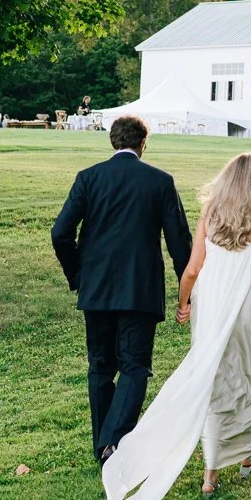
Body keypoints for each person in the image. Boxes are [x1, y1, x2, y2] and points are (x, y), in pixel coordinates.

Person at [103, 152, 251, 500]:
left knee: (213, 377)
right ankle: (244, 454)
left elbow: (193, 268)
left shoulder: (212, 214)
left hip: (211, 304)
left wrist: (184, 302)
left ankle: (213, 472)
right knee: (245, 374)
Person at [52, 116, 193, 466]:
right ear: (143, 143)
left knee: (100, 366)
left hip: (96, 288)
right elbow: (180, 245)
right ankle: (112, 441)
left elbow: (60, 233)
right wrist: (186, 293)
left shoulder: (89, 178)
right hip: (140, 290)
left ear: (112, 142)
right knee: (134, 366)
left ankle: (104, 445)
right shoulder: (160, 182)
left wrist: (79, 276)